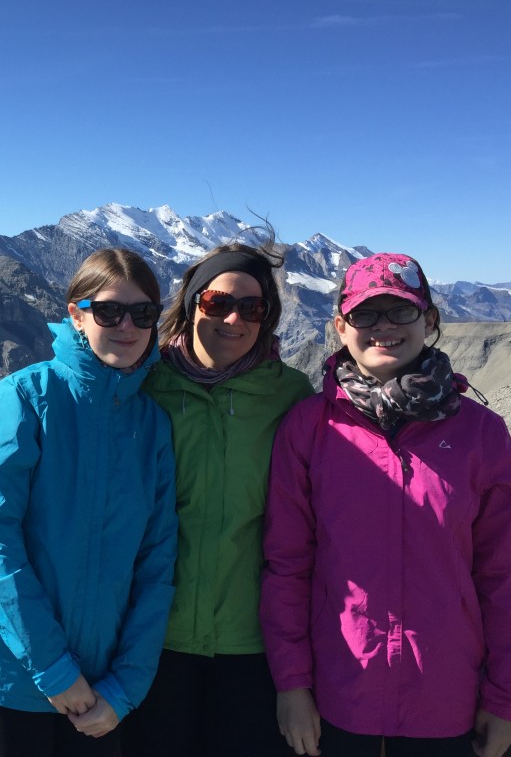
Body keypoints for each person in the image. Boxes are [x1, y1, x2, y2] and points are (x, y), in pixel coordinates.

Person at [260, 253, 511, 757]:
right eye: (365, 315)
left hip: (446, 700)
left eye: (400, 312)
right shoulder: (308, 429)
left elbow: (503, 576)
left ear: (428, 320)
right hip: (338, 697)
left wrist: (506, 699)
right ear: (341, 326)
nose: (382, 328)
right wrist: (292, 686)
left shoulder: (481, 434)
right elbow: (287, 568)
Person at [0, 248, 179, 757]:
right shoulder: (24, 397)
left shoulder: (152, 425)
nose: (127, 326)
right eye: (108, 311)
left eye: (143, 313)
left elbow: (157, 564)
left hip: (103, 688)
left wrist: (125, 689)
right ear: (76, 313)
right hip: (11, 676)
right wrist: (55, 670)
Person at [122, 239, 315, 756]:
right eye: (217, 303)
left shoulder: (290, 395)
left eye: (252, 307)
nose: (234, 319)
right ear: (191, 305)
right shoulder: (143, 383)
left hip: (250, 642)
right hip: (152, 636)